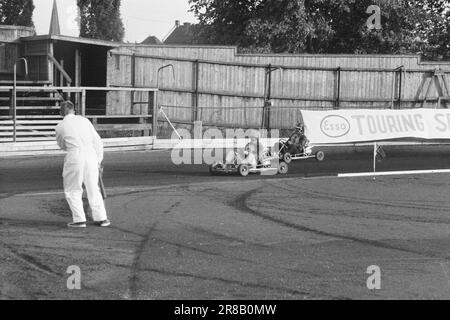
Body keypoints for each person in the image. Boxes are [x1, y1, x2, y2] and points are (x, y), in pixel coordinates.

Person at [55, 101, 110, 228]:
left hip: (74, 155)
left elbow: (62, 145)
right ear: (73, 110)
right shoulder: (84, 120)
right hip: (90, 155)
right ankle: (102, 218)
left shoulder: (60, 126)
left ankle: (79, 219)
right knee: (93, 188)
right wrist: (98, 161)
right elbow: (97, 141)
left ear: (61, 112)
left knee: (73, 188)